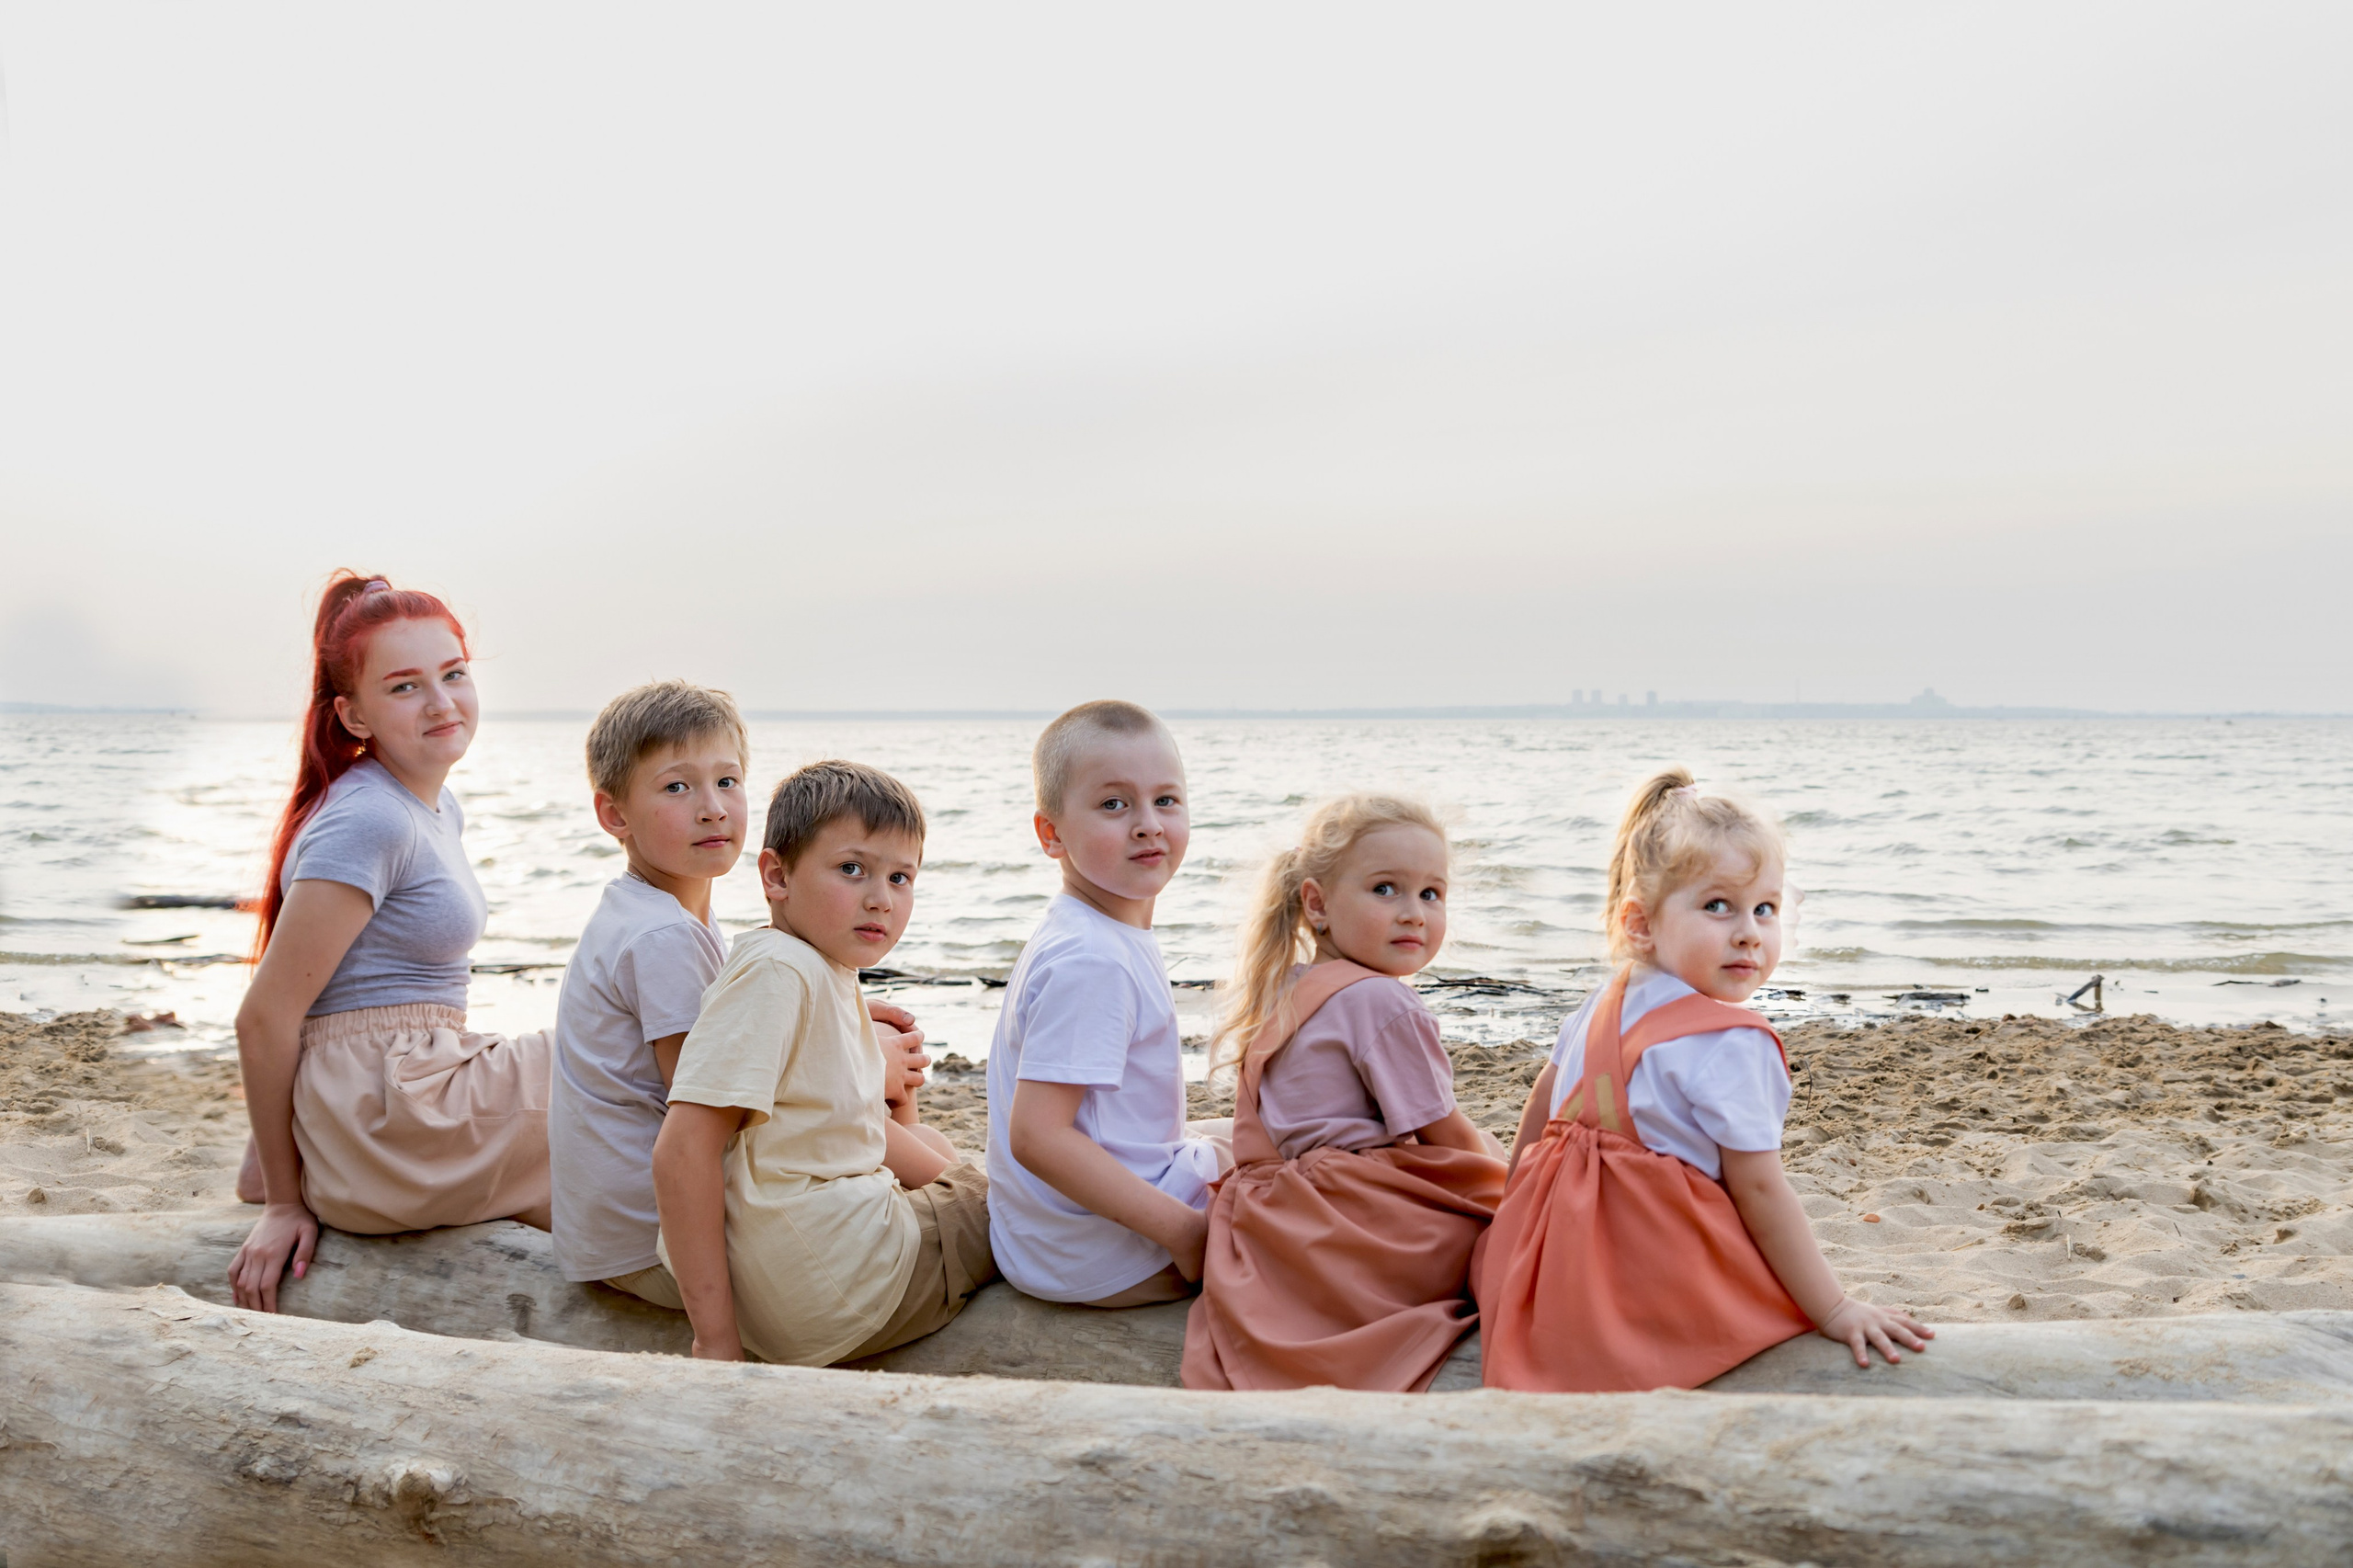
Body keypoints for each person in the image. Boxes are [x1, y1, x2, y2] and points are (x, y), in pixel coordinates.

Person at [1475, 769, 1934, 1391]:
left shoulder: (1605, 1000)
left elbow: (1539, 1116)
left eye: (1765, 909)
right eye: (1718, 906)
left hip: (1557, 1264)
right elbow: (1761, 1191)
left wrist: (1513, 1221)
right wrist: (1832, 1308)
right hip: (1644, 1274)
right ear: (1640, 923)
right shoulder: (1731, 1041)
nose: (1748, 932)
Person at [549, 684, 931, 1311]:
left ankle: (933, 1182)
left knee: (879, 1068)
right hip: (656, 1243)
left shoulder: (660, 912)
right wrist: (860, 1064)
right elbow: (715, 1115)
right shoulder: (663, 937)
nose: (713, 809)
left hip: (619, 1234)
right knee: (873, 1109)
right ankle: (950, 1188)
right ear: (615, 815)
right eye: (678, 787)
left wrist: (848, 1030)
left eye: (727, 782)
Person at [229, 572, 551, 1312]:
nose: (442, 703)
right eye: (405, 687)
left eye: (454, 673)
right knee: (618, 1055)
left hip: (406, 1090)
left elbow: (335, 1001)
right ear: (354, 715)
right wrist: (284, 1201)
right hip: (389, 1118)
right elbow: (265, 1017)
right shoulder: (369, 819)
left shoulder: (432, 805)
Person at [651, 761, 990, 1364]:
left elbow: (868, 1134)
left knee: (938, 1151)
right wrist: (714, 1338)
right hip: (837, 1285)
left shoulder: (814, 964)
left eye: (901, 877)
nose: (880, 899)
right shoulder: (778, 973)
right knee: (1023, 1205)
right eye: (852, 869)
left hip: (803, 1277)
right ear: (777, 875)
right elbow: (681, 1152)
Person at [1180, 796, 1508, 1392]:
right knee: (1500, 1213)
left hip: (1275, 1219)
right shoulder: (1382, 1000)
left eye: (1431, 894)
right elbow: (1448, 1135)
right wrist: (1514, 1190)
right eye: (1386, 889)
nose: (1414, 914)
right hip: (1344, 1214)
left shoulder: (1289, 986)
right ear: (1317, 904)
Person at [987, 700, 1233, 1309]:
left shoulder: (1093, 927)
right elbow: (1038, 1137)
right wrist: (1187, 1233)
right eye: (1114, 805)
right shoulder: (1093, 960)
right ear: (1052, 834)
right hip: (1101, 1256)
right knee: (1312, 1162)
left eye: (1165, 800)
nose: (1148, 825)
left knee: (1255, 1133)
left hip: (1052, 1240)